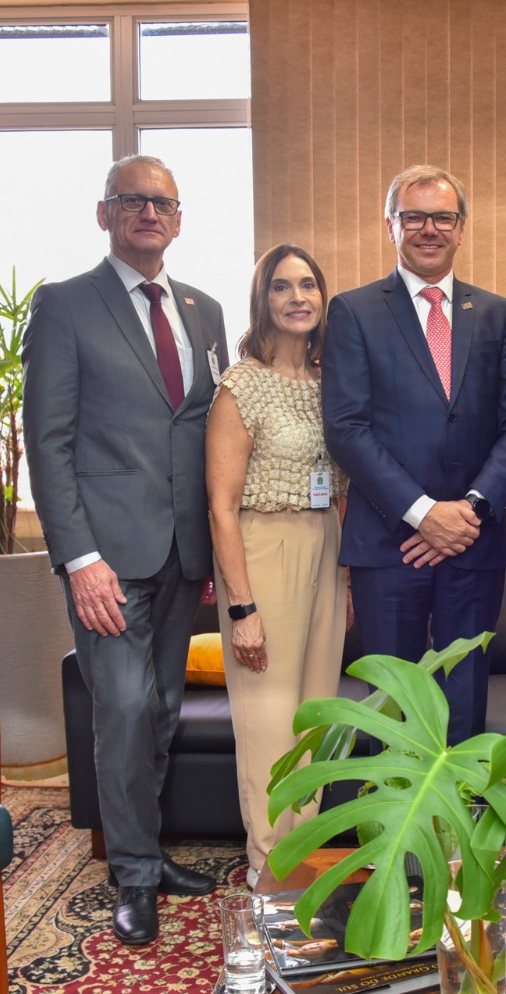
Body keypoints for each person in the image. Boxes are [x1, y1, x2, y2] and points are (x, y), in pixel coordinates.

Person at [24, 154, 229, 945]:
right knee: (125, 706)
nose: (149, 213)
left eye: (163, 203)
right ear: (104, 213)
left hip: (184, 553)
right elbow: (49, 443)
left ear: (179, 220)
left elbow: (208, 428)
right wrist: (79, 559)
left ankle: (150, 852)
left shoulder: (203, 311)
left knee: (169, 707)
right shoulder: (67, 306)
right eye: (132, 201)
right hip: (107, 558)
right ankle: (134, 875)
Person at [322, 165, 506, 744]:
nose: (429, 229)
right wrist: (422, 512)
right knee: (393, 705)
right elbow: (346, 428)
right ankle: (399, 835)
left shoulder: (494, 313)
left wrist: (470, 511)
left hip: (474, 539)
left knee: (466, 696)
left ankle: (461, 832)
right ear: (391, 226)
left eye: (443, 217)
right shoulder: (354, 311)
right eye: (414, 217)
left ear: (461, 227)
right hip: (390, 547)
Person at [206, 243, 348, 887]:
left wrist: (343, 579)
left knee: (314, 716)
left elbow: (340, 487)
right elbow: (220, 505)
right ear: (263, 299)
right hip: (263, 551)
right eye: (282, 287)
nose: (298, 297)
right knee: (269, 726)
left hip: (326, 552)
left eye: (309, 285)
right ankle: (267, 873)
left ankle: (302, 865)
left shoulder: (330, 381)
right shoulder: (242, 384)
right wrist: (242, 608)